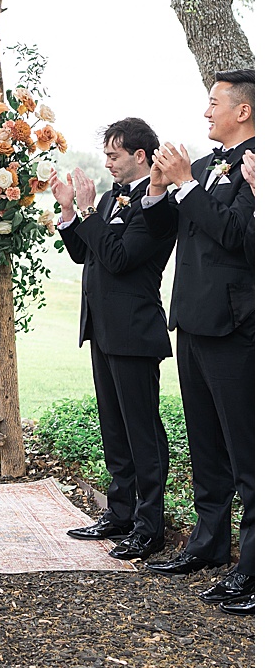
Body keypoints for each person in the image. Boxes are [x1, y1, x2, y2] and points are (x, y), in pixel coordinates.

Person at [141, 71, 254, 614]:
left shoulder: (256, 167)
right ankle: (208, 544)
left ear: (245, 111)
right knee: (205, 444)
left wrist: (186, 185)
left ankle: (251, 569)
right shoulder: (205, 168)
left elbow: (238, 236)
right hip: (191, 319)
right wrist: (162, 190)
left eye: (214, 104)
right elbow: (173, 229)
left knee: (246, 452)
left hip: (235, 326)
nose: (205, 113)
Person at [51, 119, 175, 561]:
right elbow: (86, 252)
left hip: (135, 330)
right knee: (113, 427)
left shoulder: (158, 203)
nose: (106, 163)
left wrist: (86, 214)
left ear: (140, 156)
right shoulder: (108, 198)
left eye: (113, 155)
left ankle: (149, 526)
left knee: (142, 431)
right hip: (102, 329)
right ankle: (119, 512)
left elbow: (120, 258)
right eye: (105, 154)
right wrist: (70, 213)